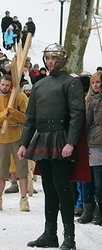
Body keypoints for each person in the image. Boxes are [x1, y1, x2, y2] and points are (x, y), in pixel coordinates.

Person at [17, 44, 85, 249]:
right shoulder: (39, 85)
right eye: (47, 58)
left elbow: (77, 114)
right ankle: (50, 234)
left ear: (62, 59)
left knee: (62, 188)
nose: (50, 62)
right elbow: (31, 118)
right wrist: (23, 143)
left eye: (54, 58)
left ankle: (69, 238)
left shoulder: (72, 83)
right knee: (49, 188)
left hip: (62, 139)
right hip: (43, 138)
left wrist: (70, 142)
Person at [0, 74, 29, 212]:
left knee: (22, 168)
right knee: (1, 169)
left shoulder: (20, 97)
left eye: (7, 85)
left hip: (17, 135)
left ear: (12, 86)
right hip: (1, 136)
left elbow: (26, 118)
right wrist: (3, 114)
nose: (4, 87)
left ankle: (24, 199)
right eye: (2, 84)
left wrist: (13, 113)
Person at [86, 72, 102, 226]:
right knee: (97, 182)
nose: (96, 85)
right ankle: (97, 211)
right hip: (96, 145)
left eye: (99, 82)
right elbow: (86, 122)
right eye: (94, 82)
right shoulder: (90, 102)